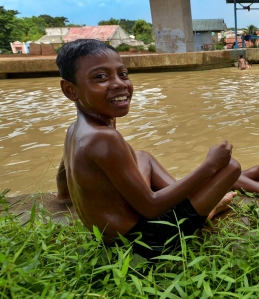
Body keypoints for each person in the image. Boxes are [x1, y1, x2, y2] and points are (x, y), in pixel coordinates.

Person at [54, 39, 241, 259]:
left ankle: (191, 206)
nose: (119, 84)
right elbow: (151, 208)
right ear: (70, 89)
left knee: (143, 156)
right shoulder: (103, 138)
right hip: (143, 243)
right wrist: (210, 165)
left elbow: (62, 180)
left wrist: (67, 198)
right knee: (230, 167)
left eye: (122, 74)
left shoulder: (74, 130)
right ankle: (204, 211)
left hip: (111, 234)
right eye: (100, 77)